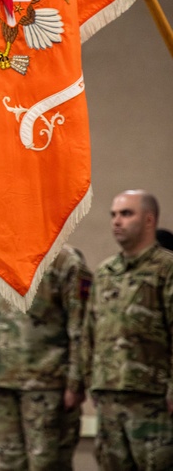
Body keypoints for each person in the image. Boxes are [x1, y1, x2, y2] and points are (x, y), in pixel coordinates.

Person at [83, 190, 173, 470]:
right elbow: (90, 331)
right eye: (113, 215)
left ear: (149, 220)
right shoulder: (106, 271)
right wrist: (91, 381)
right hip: (109, 396)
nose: (116, 221)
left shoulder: (166, 268)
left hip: (152, 400)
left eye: (126, 214)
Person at [0, 243, 92, 471]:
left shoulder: (63, 260)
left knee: (47, 464)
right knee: (8, 464)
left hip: (47, 385)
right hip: (0, 382)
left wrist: (76, 383)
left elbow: (82, 327)